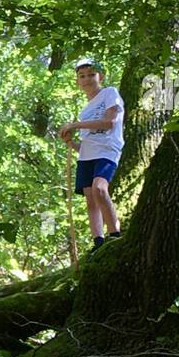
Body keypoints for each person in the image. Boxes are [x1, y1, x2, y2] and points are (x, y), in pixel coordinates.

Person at [59, 59, 124, 252]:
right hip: (87, 156)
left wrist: (75, 125)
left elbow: (109, 123)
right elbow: (86, 146)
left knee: (100, 189)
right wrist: (71, 143)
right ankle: (98, 241)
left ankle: (114, 235)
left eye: (91, 75)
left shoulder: (109, 93)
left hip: (107, 150)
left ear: (100, 77)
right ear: (77, 81)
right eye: (82, 76)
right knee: (90, 198)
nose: (86, 79)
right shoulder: (85, 110)